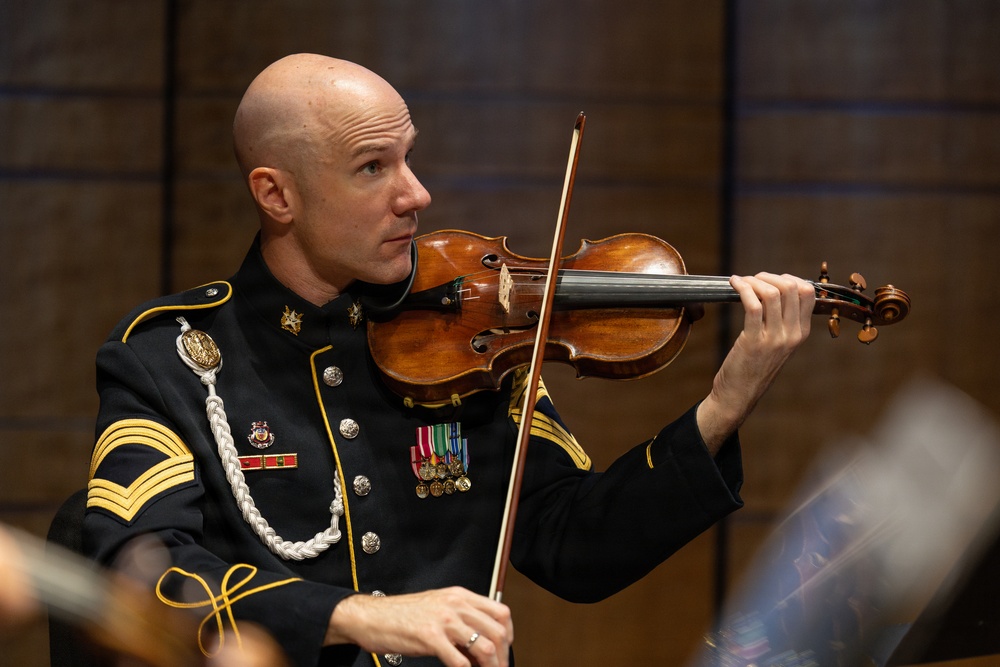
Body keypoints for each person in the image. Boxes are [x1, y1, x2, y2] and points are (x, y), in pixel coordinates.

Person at [82, 53, 814, 667]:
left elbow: (575, 546)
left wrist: (724, 405)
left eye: (408, 156)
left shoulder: (465, 336)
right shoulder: (171, 359)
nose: (417, 193)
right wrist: (355, 616)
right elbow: (140, 574)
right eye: (373, 167)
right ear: (277, 194)